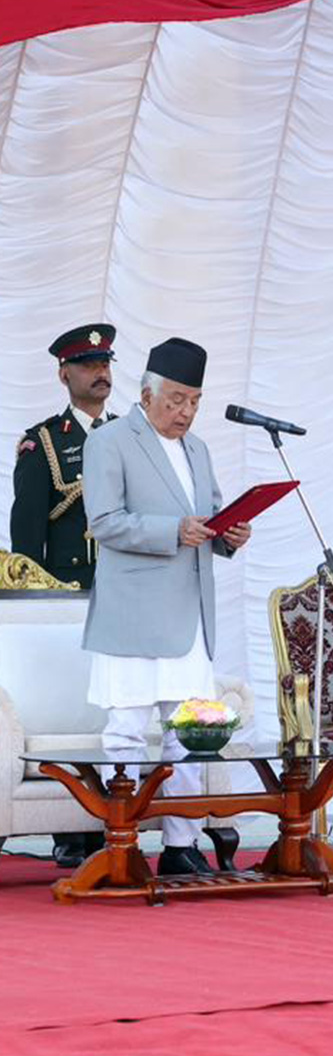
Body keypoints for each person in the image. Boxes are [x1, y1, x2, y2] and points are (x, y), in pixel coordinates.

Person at [81, 338, 251, 877]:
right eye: (176, 399)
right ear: (147, 393)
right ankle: (122, 842)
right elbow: (104, 522)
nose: (185, 412)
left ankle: (181, 844)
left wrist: (230, 533)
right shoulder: (110, 441)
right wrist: (173, 531)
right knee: (127, 731)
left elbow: (210, 515)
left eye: (194, 401)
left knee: (188, 736)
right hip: (133, 613)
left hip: (190, 615)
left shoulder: (197, 448)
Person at [12, 323, 119, 868]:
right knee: (71, 711)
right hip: (66, 598)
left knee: (115, 711)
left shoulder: (133, 436)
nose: (101, 373)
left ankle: (111, 817)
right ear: (64, 374)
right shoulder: (44, 442)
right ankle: (69, 826)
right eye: (87, 365)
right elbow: (26, 540)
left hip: (122, 596)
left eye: (105, 364)